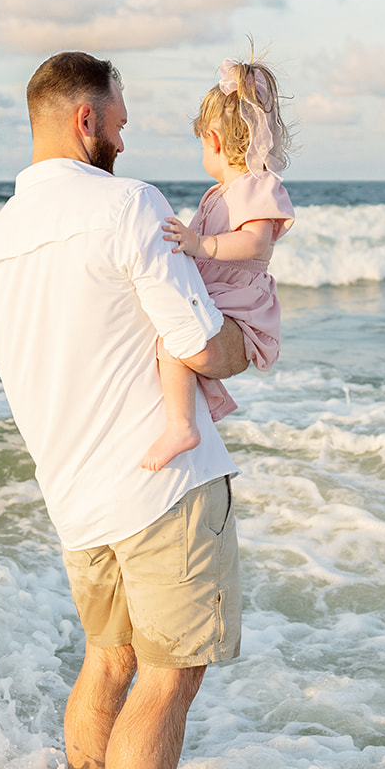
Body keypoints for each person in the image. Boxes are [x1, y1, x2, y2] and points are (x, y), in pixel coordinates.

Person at [0, 51, 249, 769]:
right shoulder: (128, 204)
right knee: (169, 675)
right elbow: (197, 342)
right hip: (162, 487)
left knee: (107, 659)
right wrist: (251, 343)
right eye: (119, 124)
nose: (123, 142)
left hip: (76, 500)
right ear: (85, 118)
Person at [141, 57, 296, 470]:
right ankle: (183, 422)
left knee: (175, 340)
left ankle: (182, 428)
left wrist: (200, 244)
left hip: (240, 309)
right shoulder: (219, 194)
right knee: (168, 335)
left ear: (212, 140)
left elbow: (256, 242)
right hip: (220, 301)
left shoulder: (257, 185)